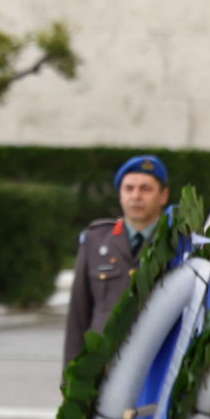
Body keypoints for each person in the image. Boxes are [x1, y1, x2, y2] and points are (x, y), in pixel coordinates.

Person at [64, 155, 171, 366]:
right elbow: (78, 314)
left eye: (145, 189)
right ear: (120, 195)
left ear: (163, 196)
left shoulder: (179, 243)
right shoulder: (95, 240)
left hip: (155, 368)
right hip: (102, 366)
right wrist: (71, 378)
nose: (136, 196)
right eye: (128, 188)